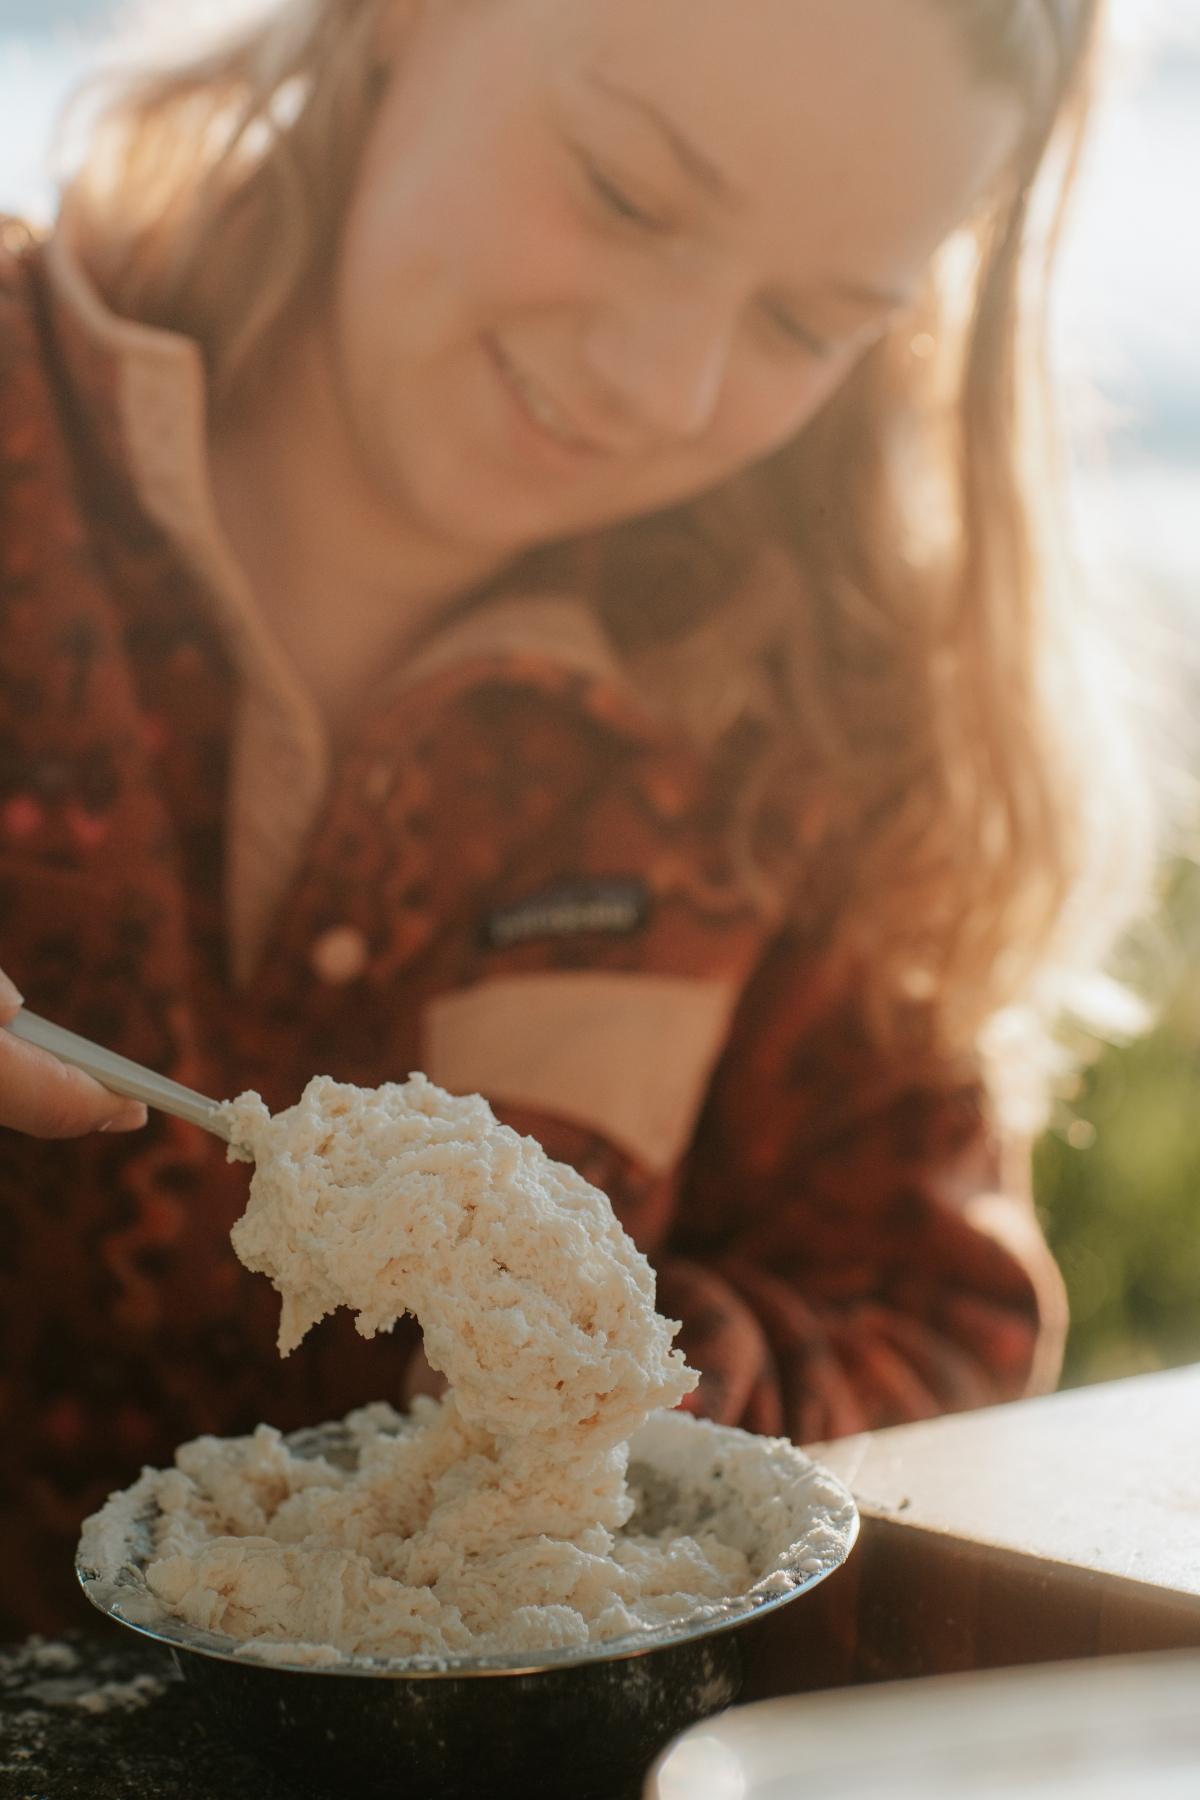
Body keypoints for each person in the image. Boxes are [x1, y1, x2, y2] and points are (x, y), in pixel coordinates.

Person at [0, 0, 1157, 1636]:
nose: (660, 382)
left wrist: (571, 1360)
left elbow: (928, 1329)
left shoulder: (808, 730)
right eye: (623, 192)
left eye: (808, 321)